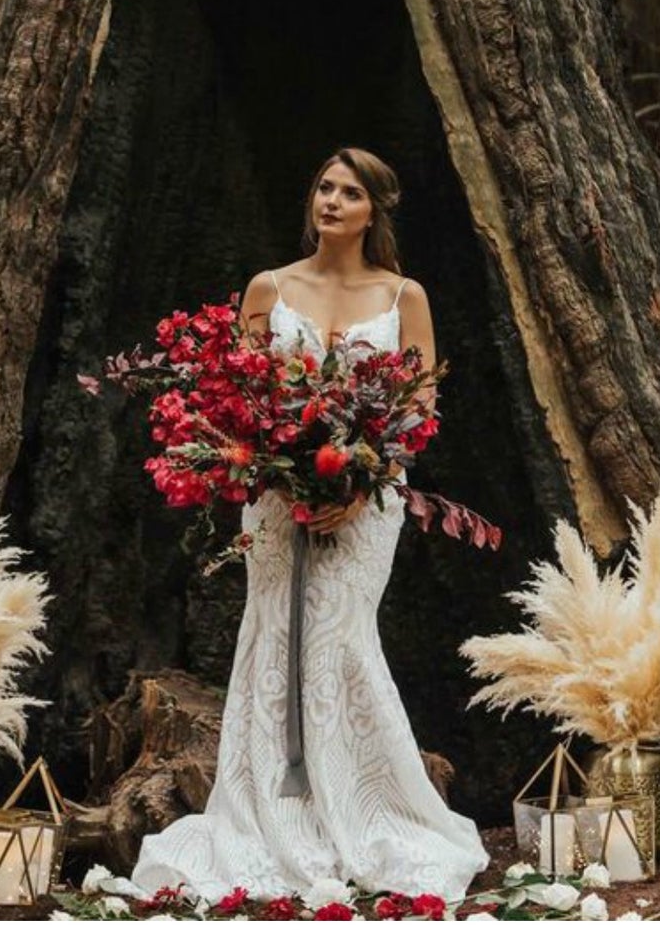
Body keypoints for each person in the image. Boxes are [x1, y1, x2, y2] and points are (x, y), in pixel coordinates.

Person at [132, 148, 488, 902]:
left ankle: (360, 815)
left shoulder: (403, 296)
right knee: (274, 636)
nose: (331, 200)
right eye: (324, 186)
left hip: (368, 500)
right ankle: (277, 816)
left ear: (373, 211)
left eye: (349, 192)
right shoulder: (270, 288)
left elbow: (419, 408)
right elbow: (239, 396)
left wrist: (363, 483)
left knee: (339, 638)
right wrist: (276, 464)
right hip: (273, 497)